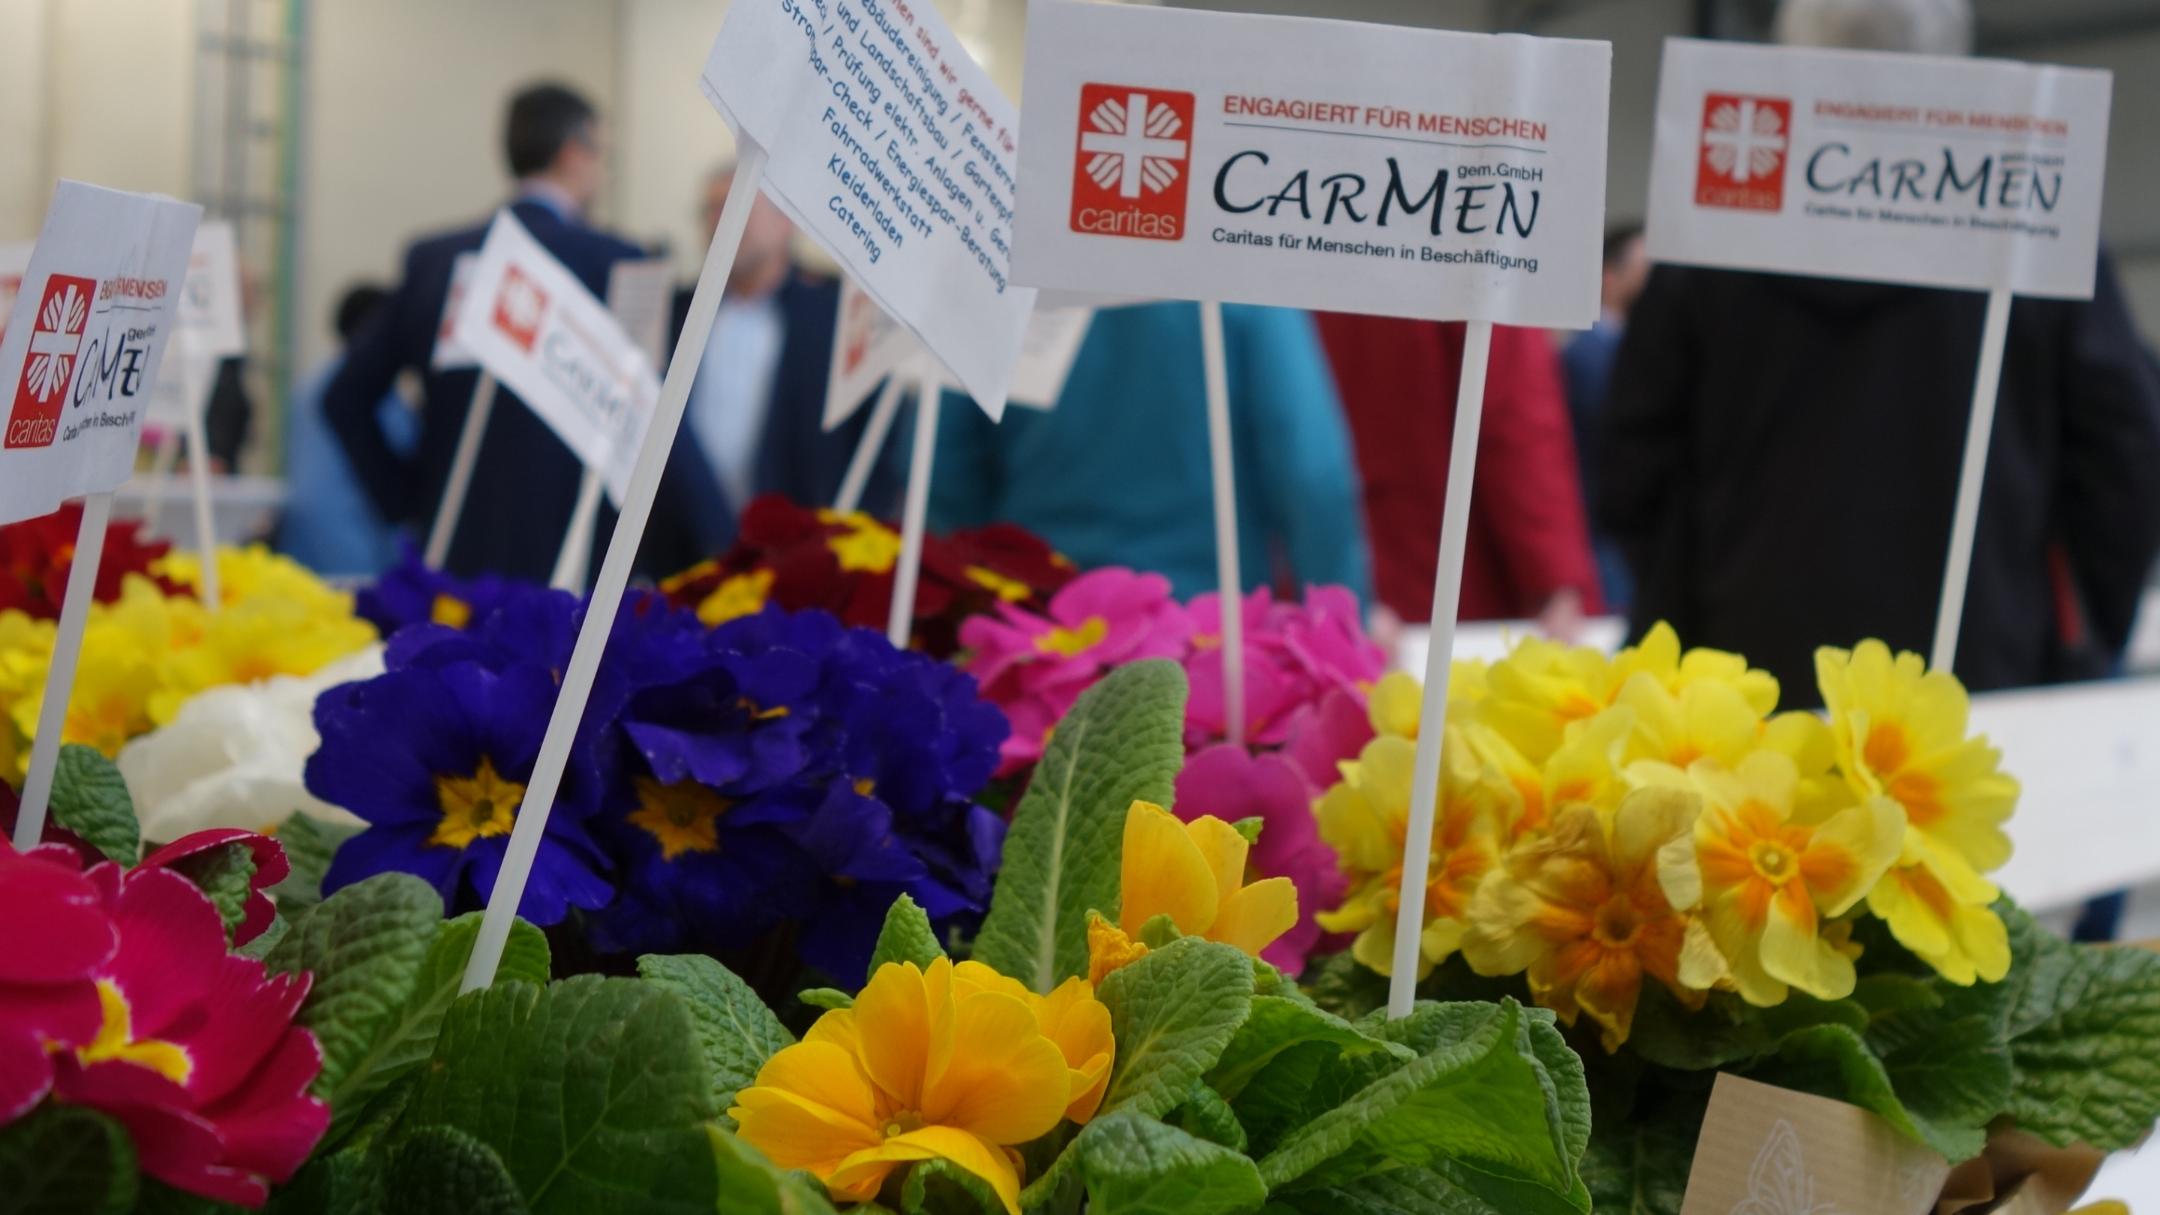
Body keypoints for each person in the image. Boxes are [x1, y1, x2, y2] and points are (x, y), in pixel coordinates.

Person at [1597, 0, 2160, 706]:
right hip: (1983, 668)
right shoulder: (2030, 226)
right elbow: (2124, 448)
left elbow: (1632, 461)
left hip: (1743, 680)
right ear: (1949, 59)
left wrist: (1681, 598)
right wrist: (2082, 632)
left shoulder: (1712, 230)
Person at [324, 81, 723, 582]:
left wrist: (407, 496)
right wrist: (721, 545)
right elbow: (658, 418)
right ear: (575, 152)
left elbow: (343, 397)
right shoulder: (617, 262)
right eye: (603, 154)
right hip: (576, 565)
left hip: (453, 555)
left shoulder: (436, 261)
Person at [930, 303, 1372, 602]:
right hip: (1203, 634)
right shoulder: (1243, 269)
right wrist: (1341, 628)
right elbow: (1312, 475)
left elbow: (936, 461)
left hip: (1037, 622)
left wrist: (978, 590)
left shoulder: (1012, 259)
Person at [1315, 315, 1600, 635]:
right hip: (1450, 565)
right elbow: (1516, 421)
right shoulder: (1486, 272)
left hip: (1326, 566)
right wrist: (1557, 579)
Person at [672, 163, 894, 540]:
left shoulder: (834, 319)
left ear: (785, 221)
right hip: (682, 544)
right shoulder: (678, 312)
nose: (720, 222)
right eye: (711, 209)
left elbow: (874, 442)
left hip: (796, 547)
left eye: (737, 206)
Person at [276, 285, 417, 575]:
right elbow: (402, 475)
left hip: (299, 541)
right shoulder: (375, 394)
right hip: (358, 545)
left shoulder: (307, 385)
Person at [1560, 225, 1650, 610]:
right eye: (1646, 267)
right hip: (1603, 538)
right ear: (1609, 277)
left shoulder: (1618, 351)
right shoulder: (1590, 354)